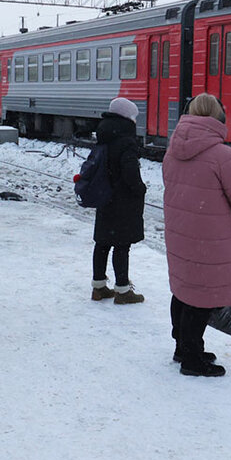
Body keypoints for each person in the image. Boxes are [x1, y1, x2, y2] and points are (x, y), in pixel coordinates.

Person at [162, 93, 231, 377]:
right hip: (211, 239)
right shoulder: (224, 156)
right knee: (201, 298)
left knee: (183, 291)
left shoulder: (173, 149)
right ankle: (191, 359)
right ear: (218, 118)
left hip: (181, 233)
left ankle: (184, 347)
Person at [88, 97, 148, 305]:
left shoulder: (104, 134)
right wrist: (140, 188)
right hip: (123, 200)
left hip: (105, 197)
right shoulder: (126, 141)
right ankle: (123, 291)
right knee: (122, 245)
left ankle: (98, 287)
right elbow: (130, 172)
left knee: (102, 242)